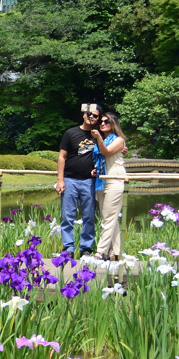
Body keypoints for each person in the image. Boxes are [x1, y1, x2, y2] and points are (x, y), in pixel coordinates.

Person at [56, 105, 101, 256]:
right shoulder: (71, 133)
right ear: (83, 114)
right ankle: (68, 248)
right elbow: (62, 157)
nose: (91, 116)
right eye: (89, 113)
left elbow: (108, 151)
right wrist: (60, 180)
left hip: (89, 181)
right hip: (70, 180)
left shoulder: (99, 135)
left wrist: (122, 149)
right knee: (67, 216)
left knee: (89, 216)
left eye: (95, 115)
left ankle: (86, 248)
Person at [92, 112, 127, 259]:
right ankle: (116, 253)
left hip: (115, 178)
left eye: (106, 121)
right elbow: (101, 158)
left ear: (113, 124)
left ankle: (101, 251)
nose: (102, 123)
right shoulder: (104, 140)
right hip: (102, 179)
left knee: (108, 218)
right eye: (101, 121)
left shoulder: (118, 140)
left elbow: (106, 152)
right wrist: (96, 169)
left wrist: (98, 138)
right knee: (109, 217)